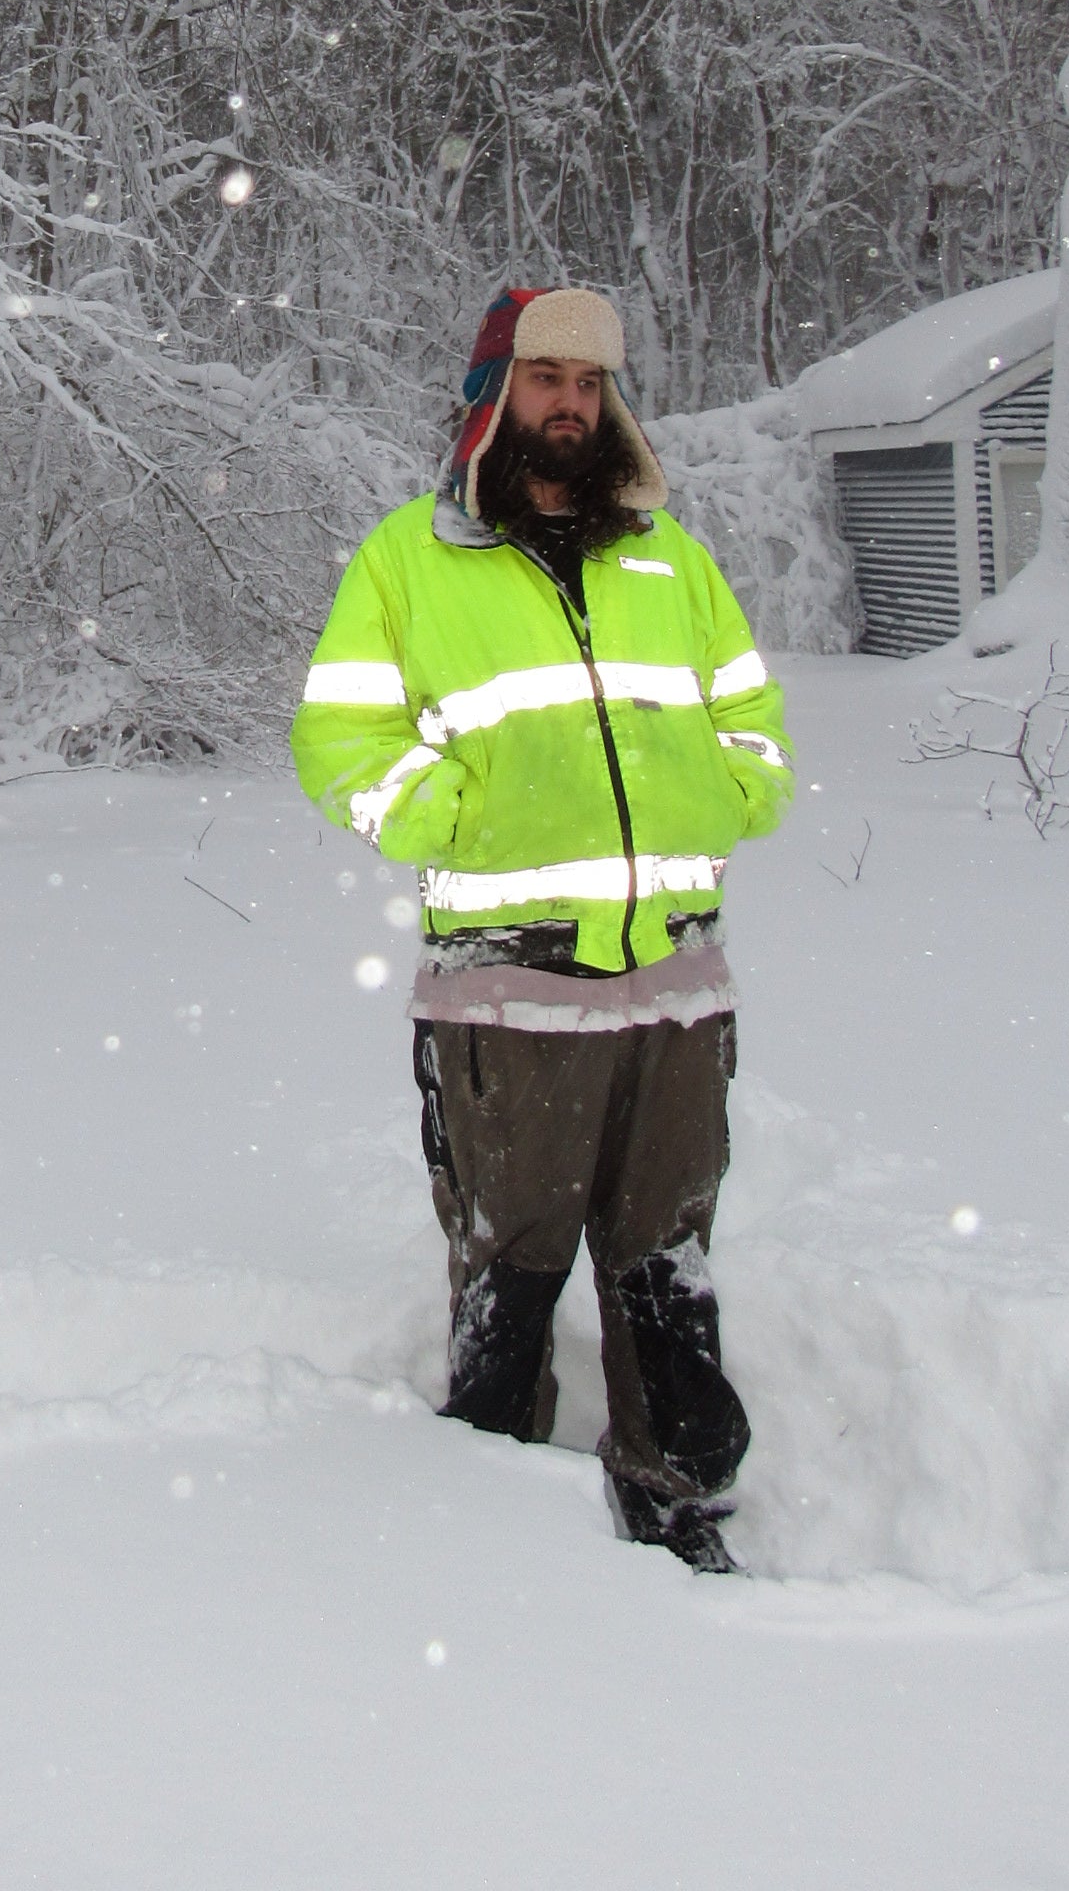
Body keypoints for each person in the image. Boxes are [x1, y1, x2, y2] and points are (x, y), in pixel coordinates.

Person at [291, 285, 792, 1571]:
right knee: (512, 1272)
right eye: (546, 379)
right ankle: (491, 1526)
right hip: (511, 992)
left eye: (590, 383)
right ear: (495, 394)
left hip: (675, 982)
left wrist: (737, 788)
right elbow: (340, 734)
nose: (570, 404)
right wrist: (455, 813)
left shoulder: (667, 555)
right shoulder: (414, 556)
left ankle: (679, 1504)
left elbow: (752, 714)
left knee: (666, 1259)